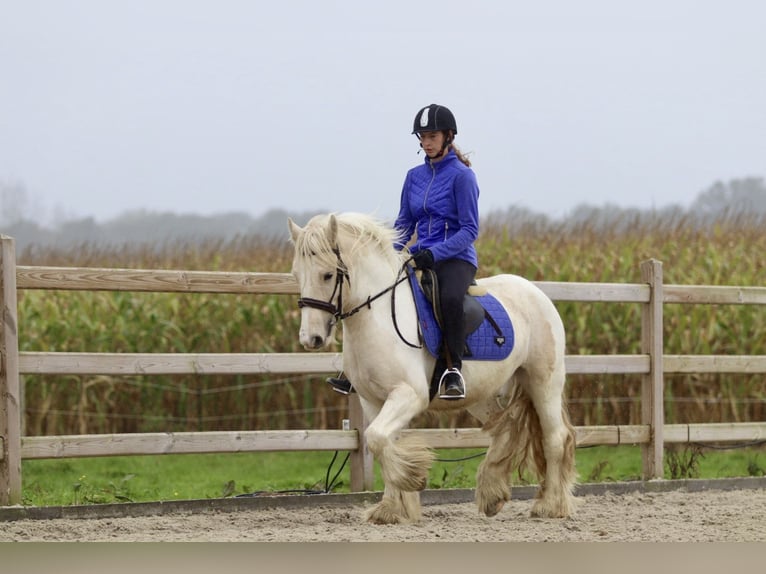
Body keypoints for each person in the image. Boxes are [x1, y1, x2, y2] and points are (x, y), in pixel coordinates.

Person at [327, 103, 480, 400]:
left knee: (448, 298)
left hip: (454, 259)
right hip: (417, 255)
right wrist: (388, 254)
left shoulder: (463, 177)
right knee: (378, 293)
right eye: (422, 136)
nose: (426, 142)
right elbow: (404, 223)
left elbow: (469, 230)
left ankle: (453, 370)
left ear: (448, 136)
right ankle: (356, 370)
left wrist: (435, 255)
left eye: (432, 136)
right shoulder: (414, 177)